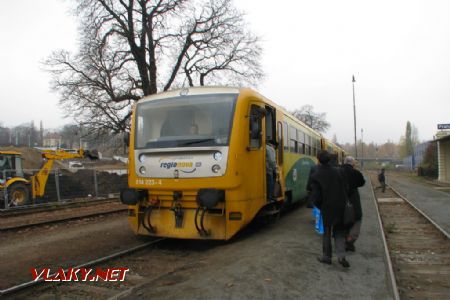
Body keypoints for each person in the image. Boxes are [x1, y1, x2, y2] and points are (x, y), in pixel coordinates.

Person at [309, 150, 350, 268]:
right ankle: (341, 256)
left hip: (327, 207)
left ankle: (327, 257)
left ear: (318, 160)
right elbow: (346, 188)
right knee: (339, 232)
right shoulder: (339, 172)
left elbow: (315, 196)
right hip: (340, 206)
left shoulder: (316, 175)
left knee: (327, 232)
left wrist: (320, 206)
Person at [341, 156, 365, 252]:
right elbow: (362, 183)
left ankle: (344, 239)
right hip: (353, 199)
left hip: (341, 199)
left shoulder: (338, 171)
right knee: (357, 219)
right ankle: (350, 240)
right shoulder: (356, 173)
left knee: (343, 219)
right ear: (353, 163)